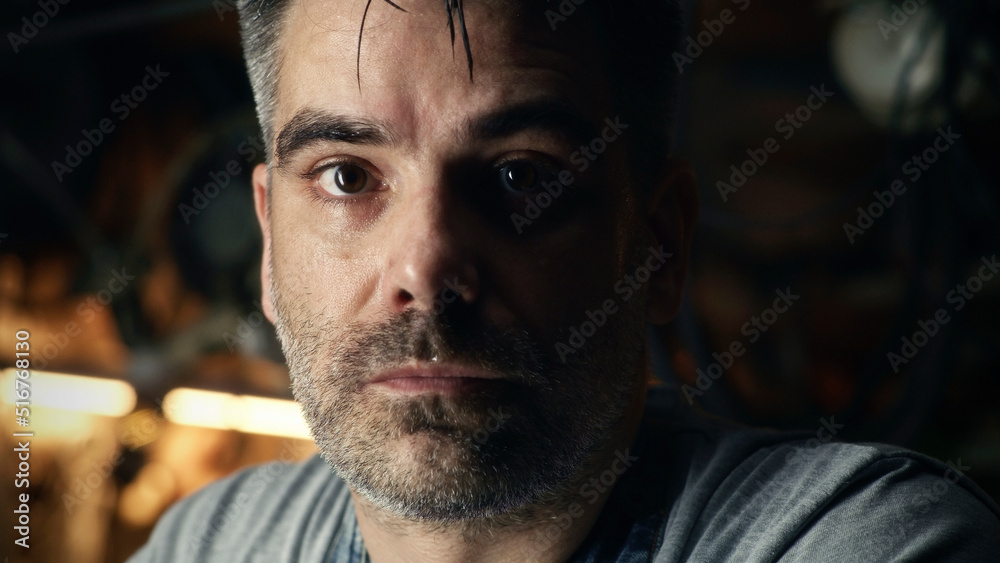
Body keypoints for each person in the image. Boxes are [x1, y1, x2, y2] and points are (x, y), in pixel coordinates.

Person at [130, 0, 1000, 561]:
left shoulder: (868, 544)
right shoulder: (210, 540)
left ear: (658, 243)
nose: (426, 266)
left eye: (522, 177)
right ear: (271, 245)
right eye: (348, 176)